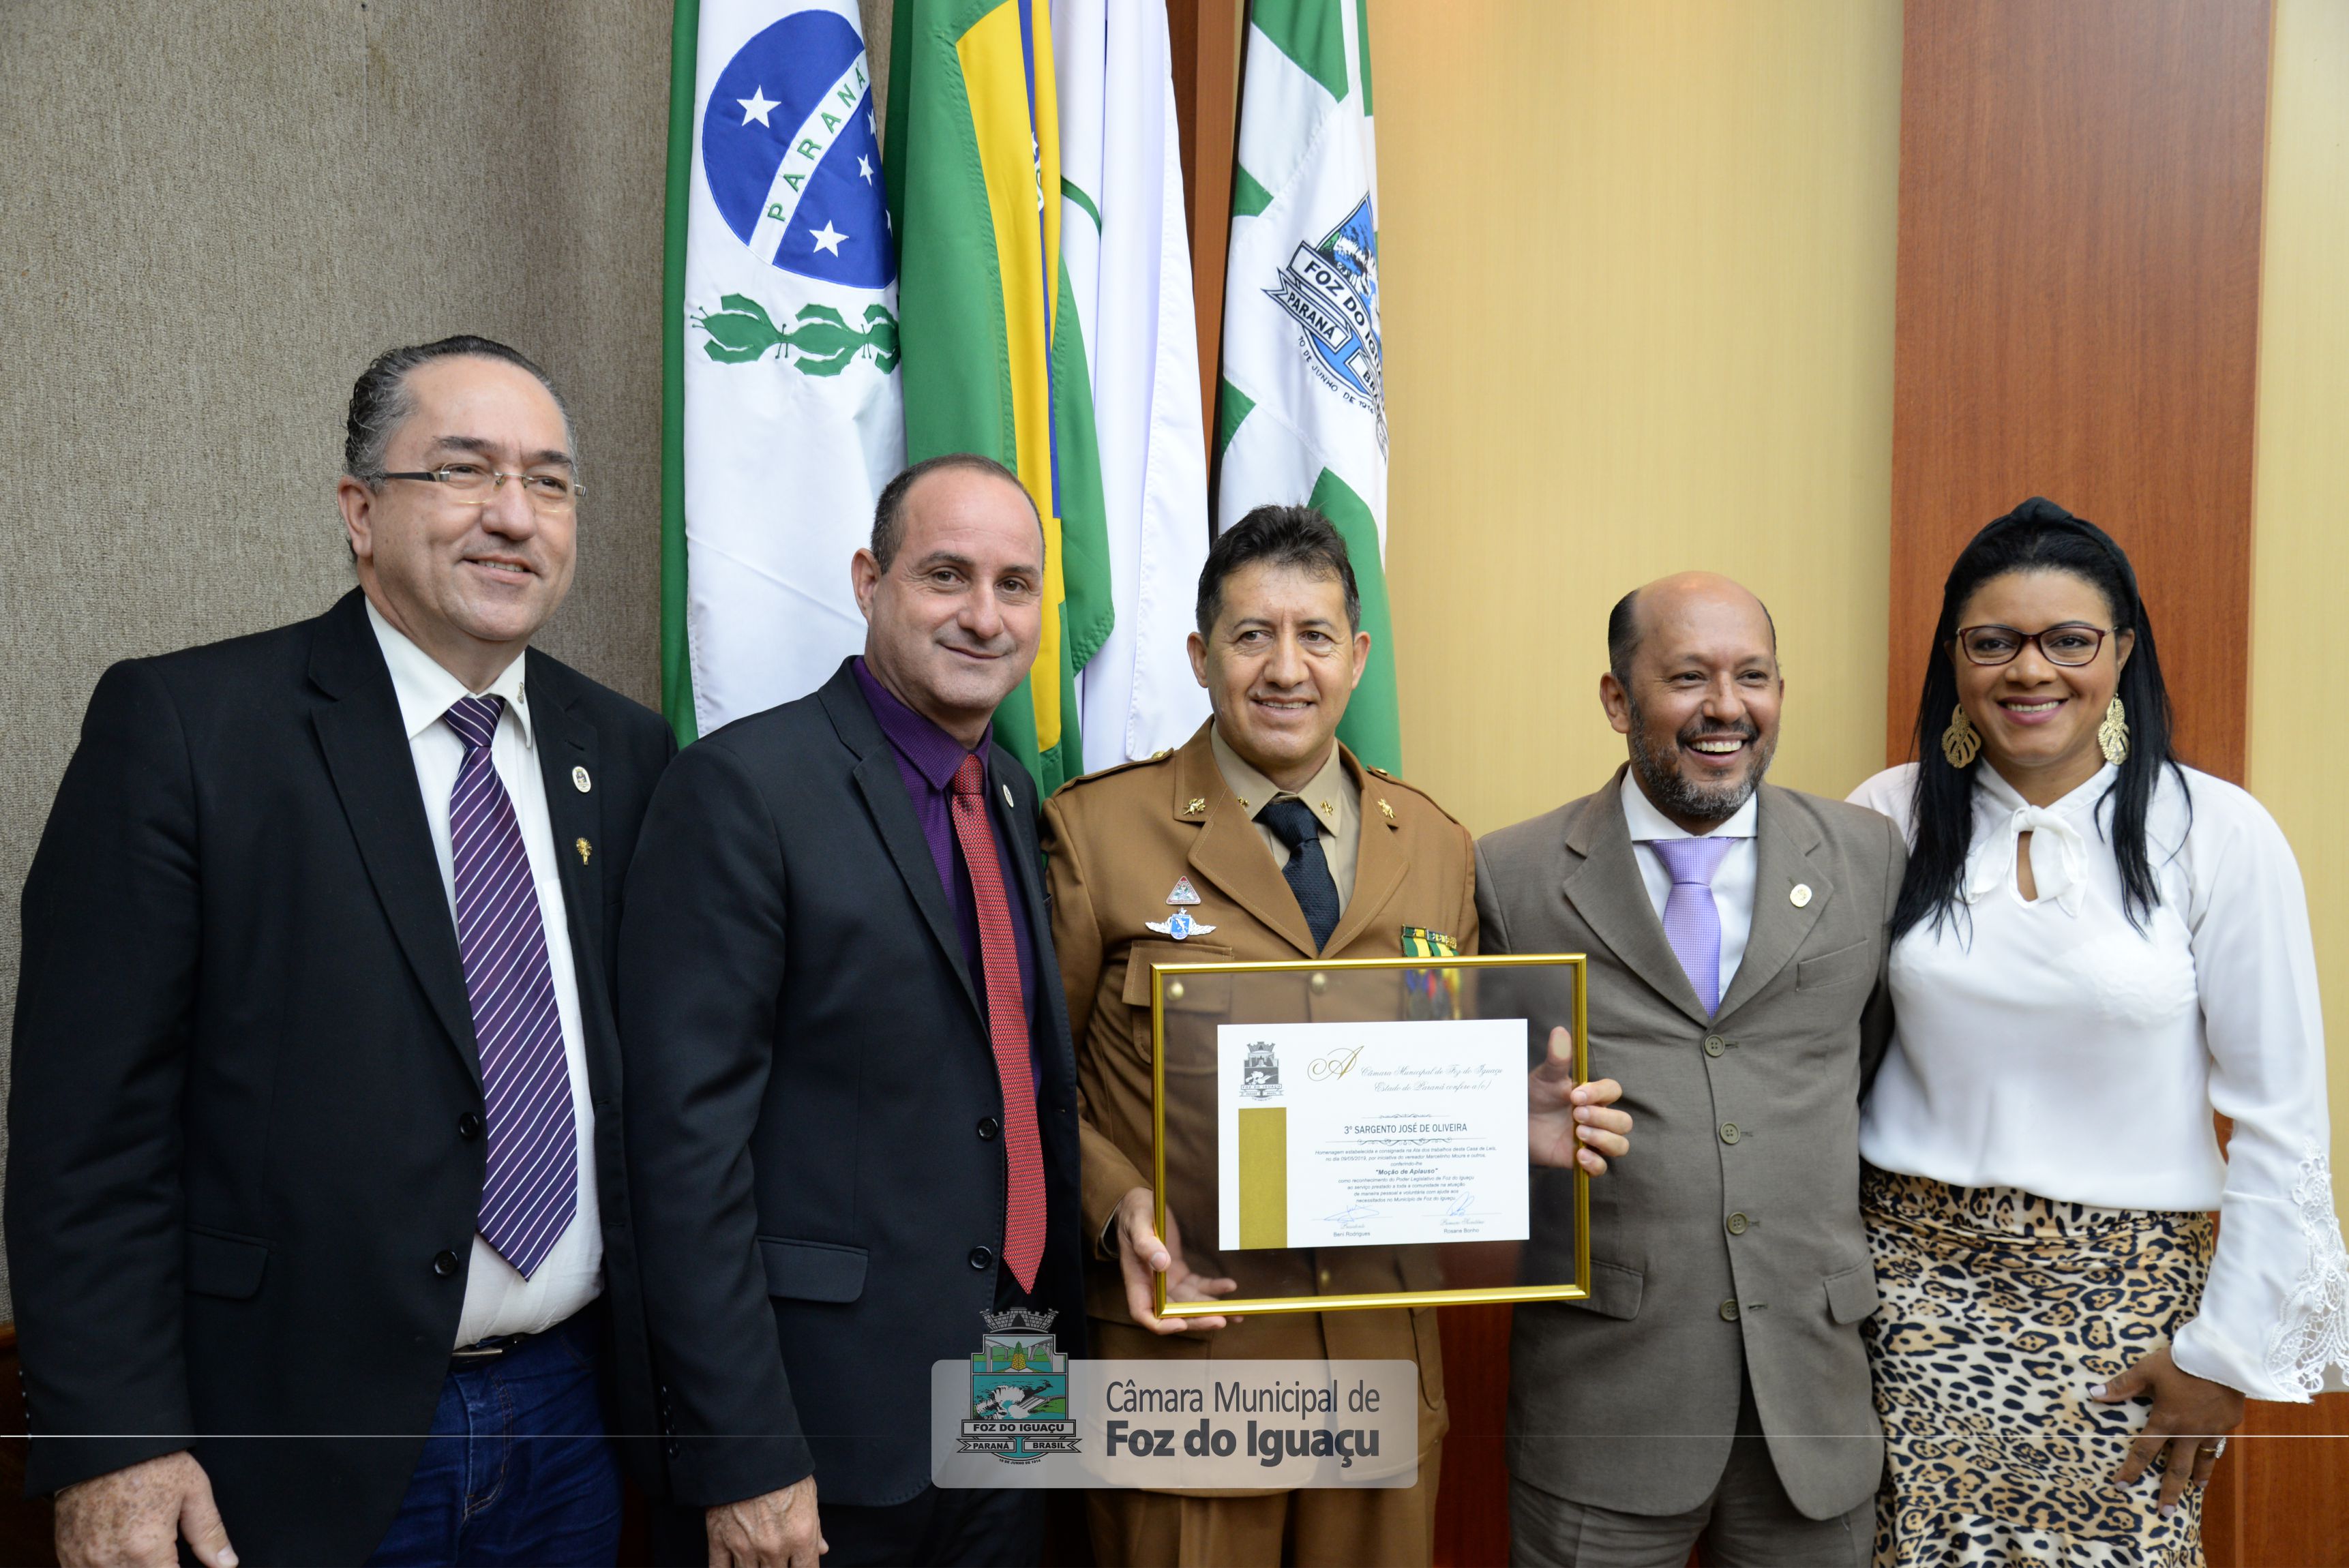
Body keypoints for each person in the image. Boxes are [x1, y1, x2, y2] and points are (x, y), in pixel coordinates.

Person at [5, 336, 676, 1567]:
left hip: (572, 1418)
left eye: (548, 481)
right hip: (295, 1438)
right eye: (463, 471)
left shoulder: (625, 751)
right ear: (360, 512)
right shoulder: (190, 730)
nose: (513, 515)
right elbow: (84, 1132)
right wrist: (111, 1442)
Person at [1040, 505, 1630, 1568]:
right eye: (1250, 636)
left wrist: (1504, 1129)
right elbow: (1032, 1086)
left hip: (1374, 1368)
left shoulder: (1435, 848)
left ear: (1356, 658)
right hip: (1188, 1370)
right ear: (1199, 656)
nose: (1285, 669)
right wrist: (1112, 1205)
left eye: (1314, 636)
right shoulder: (1096, 835)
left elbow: (1420, 1090)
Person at [1846, 497, 2349, 1565]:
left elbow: (2280, 1119)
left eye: (2068, 640)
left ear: (2121, 652)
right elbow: (1811, 1057)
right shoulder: (1885, 817)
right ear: (1954, 660)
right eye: (1993, 642)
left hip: (2131, 1307)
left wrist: (2223, 1353)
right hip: (1908, 1296)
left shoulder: (2215, 830)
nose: (2030, 671)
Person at [618, 453, 1087, 1568]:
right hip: (823, 1434)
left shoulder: (1008, 792)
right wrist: (744, 1452)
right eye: (945, 576)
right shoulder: (744, 789)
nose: (984, 616)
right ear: (870, 581)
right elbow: (681, 1155)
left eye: (1015, 585)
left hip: (1012, 1388)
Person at [1473, 571, 1905, 1567]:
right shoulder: (1513, 875)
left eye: (1752, 676)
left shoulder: (1866, 856)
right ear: (1617, 699)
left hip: (1814, 1400)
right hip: (1605, 1405)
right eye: (1687, 677)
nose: (1725, 706)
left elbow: (1876, 1068)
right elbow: (1471, 1120)